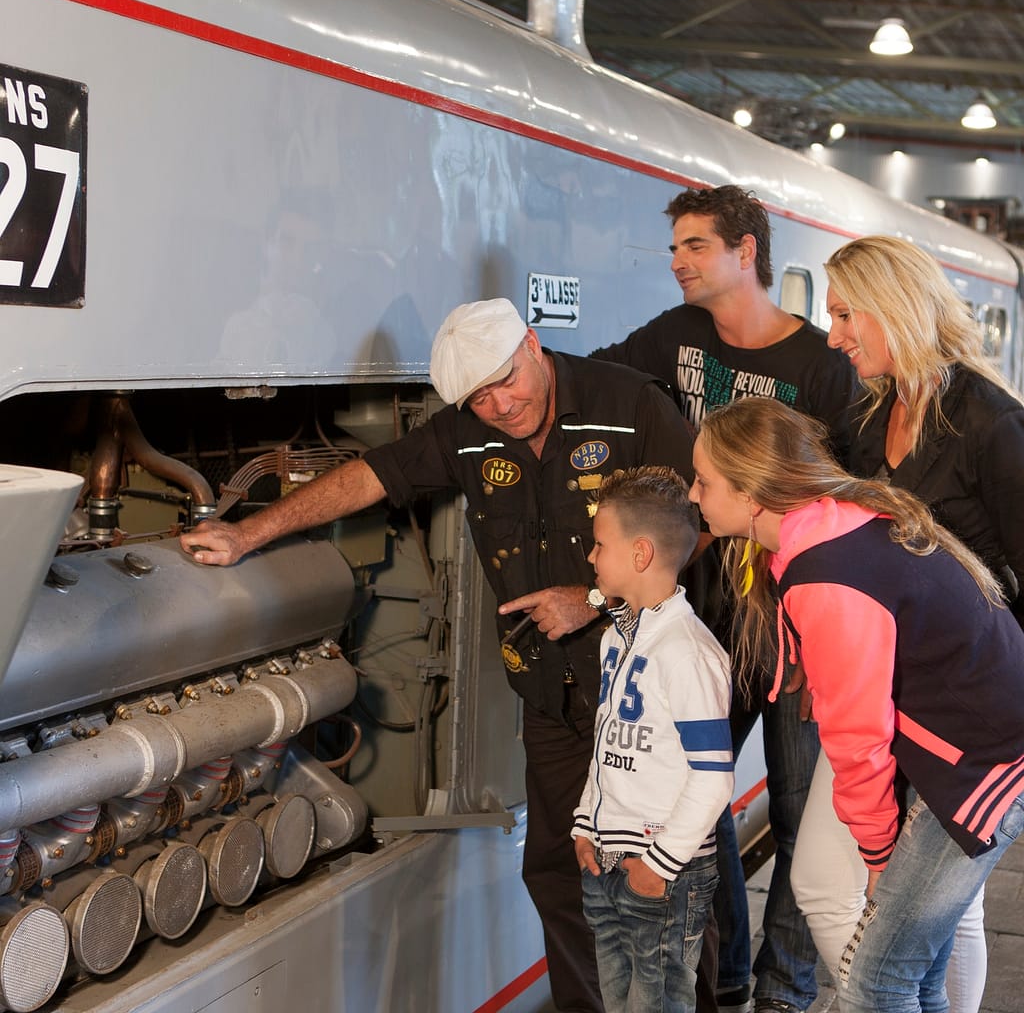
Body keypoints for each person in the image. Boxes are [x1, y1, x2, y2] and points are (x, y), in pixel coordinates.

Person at [179, 297, 698, 1013]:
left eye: (506, 380)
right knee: (559, 877)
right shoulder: (467, 432)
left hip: (647, 697)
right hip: (553, 698)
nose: (499, 406)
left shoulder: (629, 405)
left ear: (533, 345)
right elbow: (370, 475)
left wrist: (595, 597)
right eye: (478, 397)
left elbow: (699, 523)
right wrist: (247, 534)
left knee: (664, 879)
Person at [592, 185, 860, 1013]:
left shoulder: (821, 365)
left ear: (747, 253)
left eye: (696, 245)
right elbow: (596, 381)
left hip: (789, 622)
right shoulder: (674, 334)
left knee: (795, 806)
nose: (678, 261)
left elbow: (844, 498)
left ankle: (785, 990)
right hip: (701, 620)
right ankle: (732, 973)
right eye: (675, 246)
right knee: (692, 798)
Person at [689, 395, 1024, 1013]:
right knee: (914, 978)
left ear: (751, 494)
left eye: (704, 481)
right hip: (963, 751)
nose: (692, 494)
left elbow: (857, 736)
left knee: (877, 982)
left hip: (984, 764)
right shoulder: (832, 523)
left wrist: (877, 854)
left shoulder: (827, 573)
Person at [785, 234, 1024, 1010]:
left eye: (846, 315)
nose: (834, 336)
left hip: (965, 707)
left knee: (940, 920)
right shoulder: (872, 414)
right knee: (831, 882)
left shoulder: (991, 423)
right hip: (892, 694)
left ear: (894, 308)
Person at [572, 466, 733, 1013]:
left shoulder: (688, 652)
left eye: (600, 544)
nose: (591, 557)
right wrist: (584, 825)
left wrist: (658, 865)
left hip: (662, 870)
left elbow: (713, 778)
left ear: (640, 554)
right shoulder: (615, 640)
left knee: (659, 1003)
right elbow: (607, 743)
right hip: (607, 860)